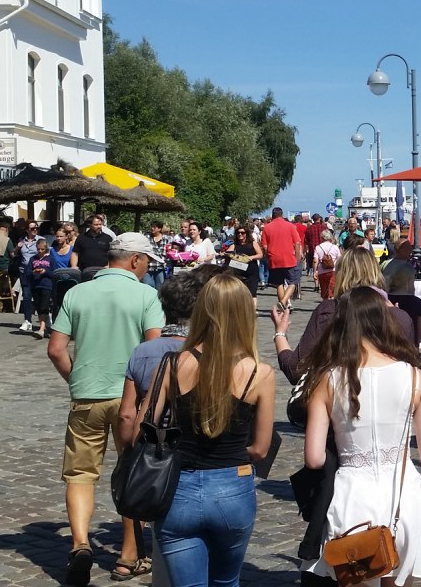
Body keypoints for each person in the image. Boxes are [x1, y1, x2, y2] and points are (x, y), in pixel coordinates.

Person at [300, 287, 421, 583]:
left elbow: (314, 458)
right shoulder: (414, 377)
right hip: (403, 496)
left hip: (352, 497)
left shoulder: (328, 379)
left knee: (353, 576)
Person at [133, 274, 275, 587]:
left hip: (178, 487)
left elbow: (139, 432)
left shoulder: (171, 364)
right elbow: (261, 448)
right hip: (232, 487)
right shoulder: (259, 373)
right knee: (226, 582)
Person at [46, 233, 166, 586]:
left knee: (80, 474)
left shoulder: (77, 293)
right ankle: (128, 556)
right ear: (134, 260)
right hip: (131, 398)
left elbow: (56, 349)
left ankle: (80, 544)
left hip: (87, 395)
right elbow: (154, 350)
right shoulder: (146, 295)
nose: (147, 269)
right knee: (133, 470)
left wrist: (77, 378)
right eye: (146, 262)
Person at [115, 265, 224, 583]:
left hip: (156, 455)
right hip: (199, 456)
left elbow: (127, 413)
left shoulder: (143, 351)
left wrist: (130, 451)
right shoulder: (208, 353)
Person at [272, 247, 417, 384]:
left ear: (341, 275)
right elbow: (410, 372)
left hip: (338, 396)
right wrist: (398, 317)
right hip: (386, 398)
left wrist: (280, 333)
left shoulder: (329, 311)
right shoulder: (399, 317)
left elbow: (296, 370)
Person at [261, 207, 302, 309]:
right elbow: (297, 243)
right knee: (293, 282)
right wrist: (297, 257)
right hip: (289, 258)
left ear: (273, 215)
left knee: (279, 283)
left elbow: (264, 246)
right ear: (282, 215)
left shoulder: (267, 227)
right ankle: (284, 302)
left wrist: (268, 257)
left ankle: (284, 306)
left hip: (274, 258)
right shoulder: (290, 226)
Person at [222, 222, 263, 308]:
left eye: (242, 233)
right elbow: (228, 253)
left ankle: (253, 311)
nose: (240, 234)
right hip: (239, 270)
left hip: (252, 270)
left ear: (246, 234)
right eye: (238, 233)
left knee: (252, 292)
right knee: (239, 292)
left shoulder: (253, 243)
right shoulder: (235, 244)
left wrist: (251, 257)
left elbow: (260, 254)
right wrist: (224, 253)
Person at [386, 261, 421, 347]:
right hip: (410, 347)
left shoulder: (384, 299)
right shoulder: (417, 302)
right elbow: (420, 334)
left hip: (388, 347)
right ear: (409, 281)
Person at [15, 219, 44, 332]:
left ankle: (43, 322)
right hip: (24, 271)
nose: (35, 230)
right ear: (27, 230)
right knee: (26, 296)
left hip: (37, 271)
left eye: (36, 227)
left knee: (38, 297)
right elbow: (13, 254)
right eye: (32, 228)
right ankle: (27, 320)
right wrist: (18, 247)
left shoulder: (41, 240)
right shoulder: (22, 240)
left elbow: (46, 254)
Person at [28, 236, 54, 339]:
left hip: (46, 285)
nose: (40, 251)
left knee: (44, 306)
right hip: (36, 285)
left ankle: (41, 329)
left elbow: (54, 273)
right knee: (38, 306)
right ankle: (46, 328)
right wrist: (33, 272)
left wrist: (45, 272)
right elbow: (28, 273)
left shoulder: (50, 259)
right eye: (38, 249)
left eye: (42, 249)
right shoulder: (33, 259)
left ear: (46, 249)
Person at [73, 214, 113, 281]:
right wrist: (74, 266)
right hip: (84, 272)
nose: (99, 226)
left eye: (100, 224)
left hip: (102, 272)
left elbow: (112, 254)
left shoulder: (108, 238)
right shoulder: (81, 238)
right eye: (96, 225)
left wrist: (109, 266)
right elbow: (75, 253)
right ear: (90, 225)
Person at [313, 229, 341, 300]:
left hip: (322, 271)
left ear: (322, 237)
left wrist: (315, 271)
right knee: (332, 289)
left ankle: (325, 302)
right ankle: (332, 302)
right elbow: (339, 259)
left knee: (324, 290)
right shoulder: (335, 247)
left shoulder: (318, 247)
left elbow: (315, 261)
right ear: (330, 237)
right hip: (333, 271)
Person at [143, 221, 171, 290]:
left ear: (159, 229)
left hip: (160, 267)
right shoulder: (146, 237)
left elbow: (169, 251)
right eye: (151, 227)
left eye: (154, 227)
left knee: (160, 288)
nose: (152, 228)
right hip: (149, 267)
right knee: (148, 286)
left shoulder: (167, 239)